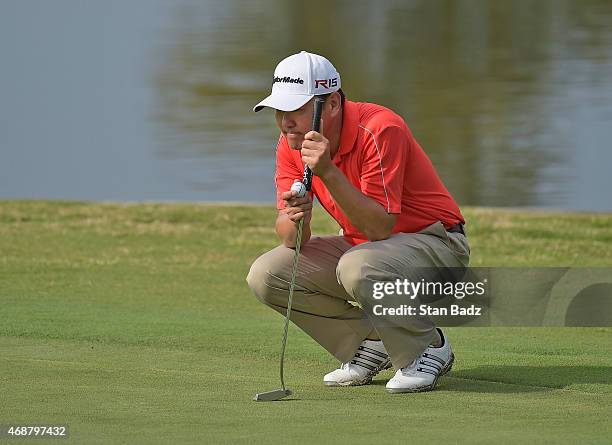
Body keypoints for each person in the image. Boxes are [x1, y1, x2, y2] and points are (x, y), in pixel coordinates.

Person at [247, 51, 470, 393]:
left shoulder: (380, 128)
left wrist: (329, 173)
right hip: (368, 251)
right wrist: (297, 216)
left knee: (358, 266)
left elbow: (379, 227)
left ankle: (428, 347)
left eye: (295, 110)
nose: (285, 121)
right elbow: (292, 240)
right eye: (280, 111)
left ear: (332, 104)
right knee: (267, 274)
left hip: (438, 245)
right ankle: (370, 343)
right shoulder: (290, 145)